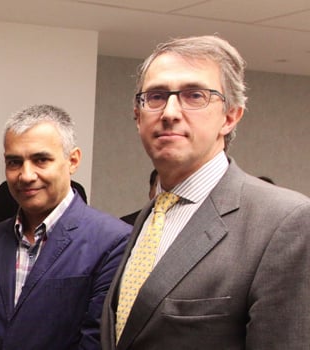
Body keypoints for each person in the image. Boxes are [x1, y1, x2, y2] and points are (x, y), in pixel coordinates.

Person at [101, 35, 310, 349]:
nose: (170, 112)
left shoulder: (284, 222)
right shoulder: (148, 218)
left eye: (194, 95)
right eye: (156, 96)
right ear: (137, 116)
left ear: (230, 116)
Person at [0, 104, 130, 349]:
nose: (26, 175)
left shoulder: (114, 241)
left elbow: (96, 340)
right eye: (14, 162)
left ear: (73, 160)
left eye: (41, 159)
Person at [0, 179, 87, 233]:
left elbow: (82, 234)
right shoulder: (8, 190)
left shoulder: (74, 190)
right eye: (15, 162)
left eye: (42, 160)